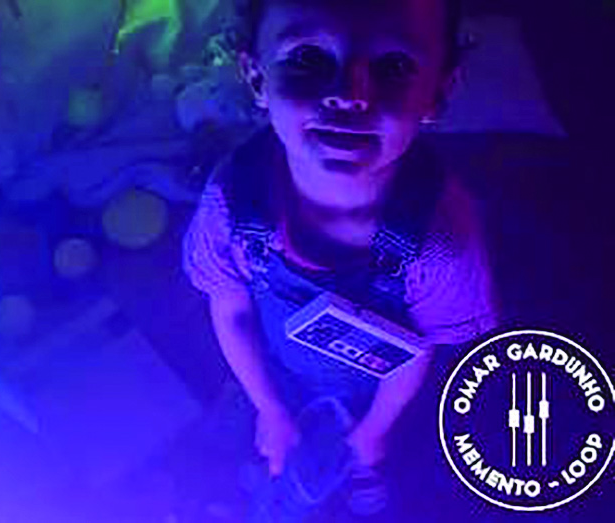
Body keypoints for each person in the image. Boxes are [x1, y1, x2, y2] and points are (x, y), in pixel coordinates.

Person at [182, 0, 499, 518]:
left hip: (379, 391)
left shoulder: (442, 243)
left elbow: (415, 353)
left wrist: (373, 432)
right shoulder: (232, 202)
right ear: (256, 76)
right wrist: (269, 406)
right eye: (307, 56)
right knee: (268, 442)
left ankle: (366, 466)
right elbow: (231, 311)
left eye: (394, 65)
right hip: (277, 366)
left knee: (374, 452)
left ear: (438, 92)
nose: (351, 93)